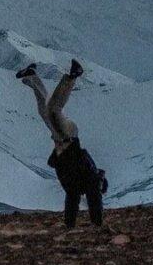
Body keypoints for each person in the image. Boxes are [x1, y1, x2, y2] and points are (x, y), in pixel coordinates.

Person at [17, 59, 106, 228]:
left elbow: (72, 200)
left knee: (45, 111)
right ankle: (73, 76)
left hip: (60, 138)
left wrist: (69, 226)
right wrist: (97, 224)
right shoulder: (91, 180)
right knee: (53, 109)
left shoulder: (78, 183)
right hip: (68, 135)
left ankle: (32, 76)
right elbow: (93, 201)